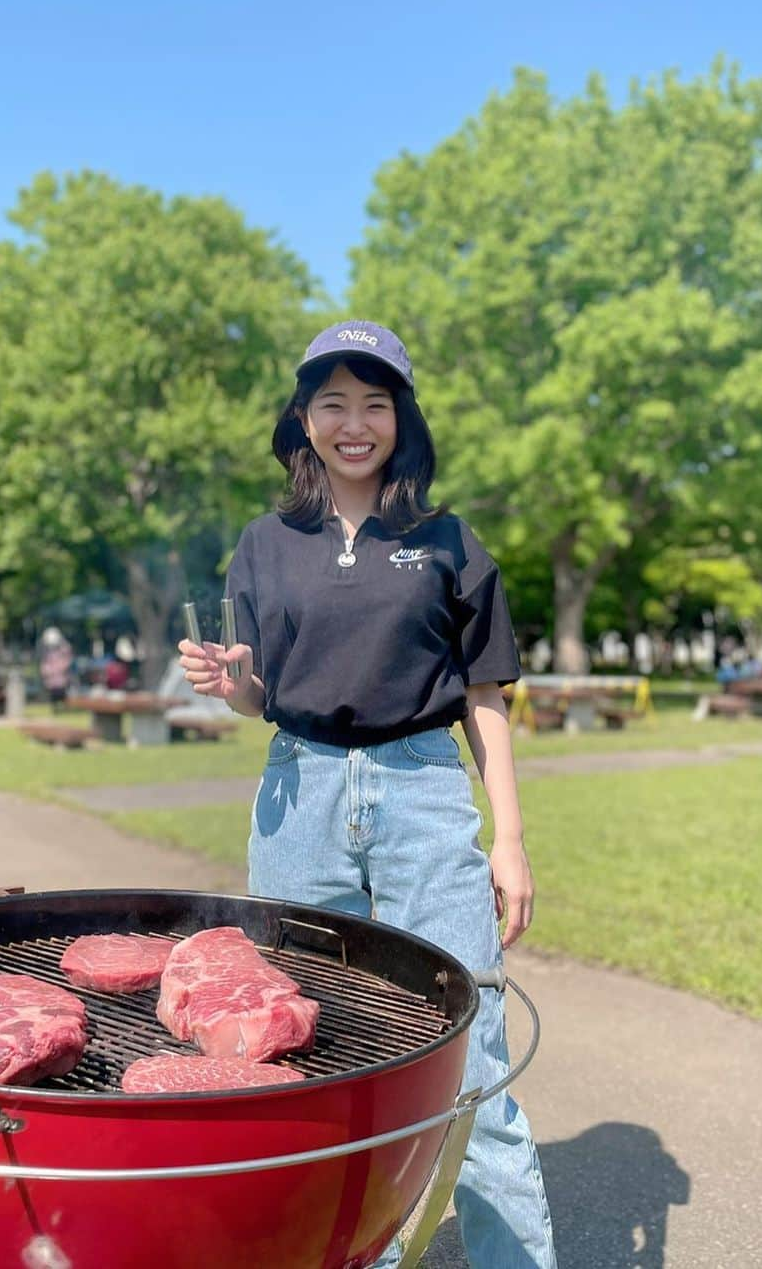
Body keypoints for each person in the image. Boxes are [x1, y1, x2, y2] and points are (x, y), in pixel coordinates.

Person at [179, 319, 557, 1268]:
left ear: (403, 421)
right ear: (303, 419)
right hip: (298, 795)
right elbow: (264, 693)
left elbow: (484, 694)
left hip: (423, 792)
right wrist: (233, 687)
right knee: (312, 1046)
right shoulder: (264, 544)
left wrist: (507, 840)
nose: (354, 423)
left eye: (374, 404)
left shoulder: (446, 540)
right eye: (333, 403)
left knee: (471, 1055)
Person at [39, 627, 73, 711]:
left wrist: (61, 667)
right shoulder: (47, 649)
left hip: (61, 676)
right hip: (53, 678)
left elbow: (68, 660)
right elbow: (45, 663)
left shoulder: (65, 647)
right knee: (54, 693)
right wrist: (46, 670)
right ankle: (55, 707)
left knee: (62, 692)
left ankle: (64, 707)